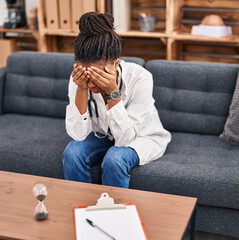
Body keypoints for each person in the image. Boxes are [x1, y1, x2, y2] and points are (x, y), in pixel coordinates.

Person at [61, 12, 171, 188]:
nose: (93, 82)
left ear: (116, 63)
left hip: (140, 137)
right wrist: (81, 89)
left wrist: (111, 92)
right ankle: (80, 209)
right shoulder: (78, 78)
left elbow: (125, 140)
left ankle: (114, 214)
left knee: (115, 158)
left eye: (100, 74)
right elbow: (78, 135)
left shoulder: (140, 78)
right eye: (88, 75)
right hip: (102, 135)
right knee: (72, 153)